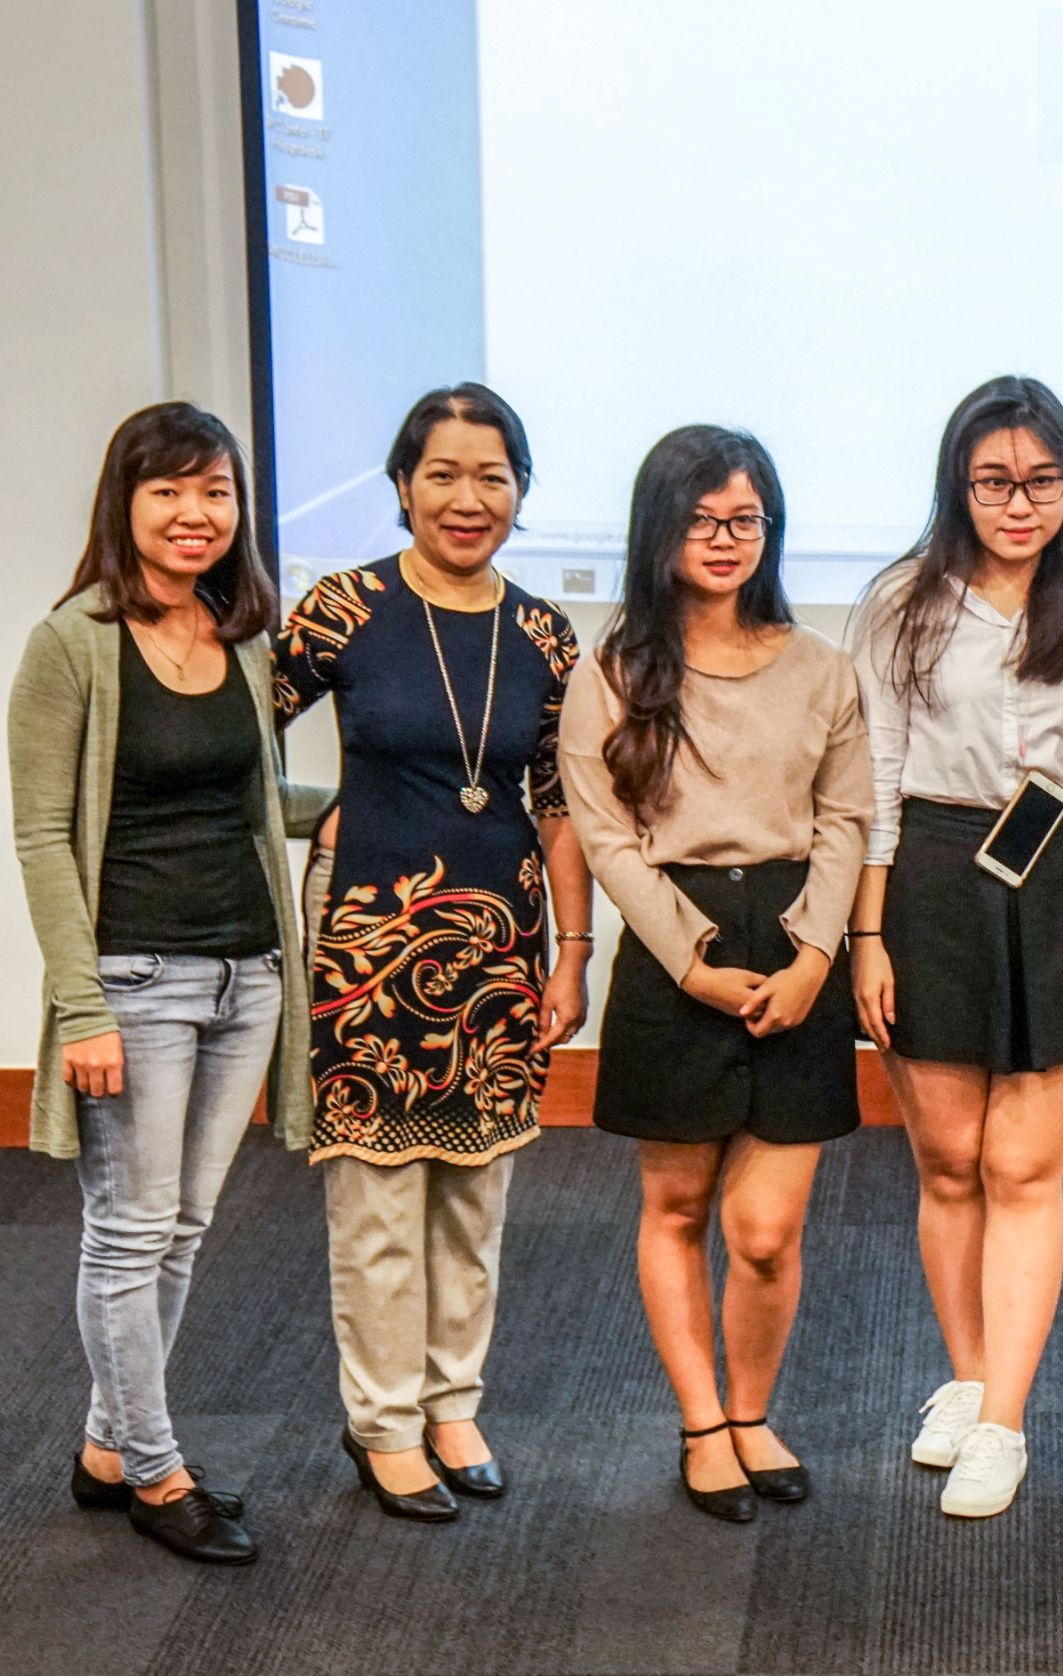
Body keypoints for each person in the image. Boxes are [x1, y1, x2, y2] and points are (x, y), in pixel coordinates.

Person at [10, 403, 319, 1565]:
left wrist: (352, 807)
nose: (195, 515)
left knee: (184, 1226)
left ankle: (107, 1446)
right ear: (124, 504)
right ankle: (155, 1468)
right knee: (129, 1227)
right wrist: (79, 1002)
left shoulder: (239, 635)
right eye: (169, 491)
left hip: (248, 971)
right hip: (134, 976)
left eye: (217, 492)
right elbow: (43, 835)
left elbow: (246, 799)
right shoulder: (72, 642)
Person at [276, 382, 591, 1521]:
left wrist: (573, 952)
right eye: (444, 474)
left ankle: (455, 1403)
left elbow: (558, 804)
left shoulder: (543, 631)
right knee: (376, 1197)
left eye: (492, 475)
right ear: (403, 486)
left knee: (475, 1191)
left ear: (519, 491)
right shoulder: (342, 609)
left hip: (502, 944)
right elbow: (227, 730)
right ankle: (384, 1424)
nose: (469, 498)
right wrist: (306, 809)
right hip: (368, 942)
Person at [561, 425, 871, 1522]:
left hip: (794, 943)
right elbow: (605, 839)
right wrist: (690, 961)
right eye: (701, 520)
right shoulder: (612, 676)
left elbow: (846, 820)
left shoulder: (823, 666)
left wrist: (815, 955)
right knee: (680, 1199)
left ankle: (751, 1411)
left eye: (745, 519)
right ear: (660, 530)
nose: (725, 538)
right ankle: (701, 1422)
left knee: (765, 1228)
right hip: (670, 948)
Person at [847, 375, 1063, 1520]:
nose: (1019, 505)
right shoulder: (901, 602)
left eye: (1041, 482)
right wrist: (867, 934)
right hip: (926, 877)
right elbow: (870, 778)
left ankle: (1007, 1418)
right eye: (994, 483)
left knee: (1025, 1167)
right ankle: (966, 1380)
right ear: (957, 487)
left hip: (1057, 883)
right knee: (949, 1160)